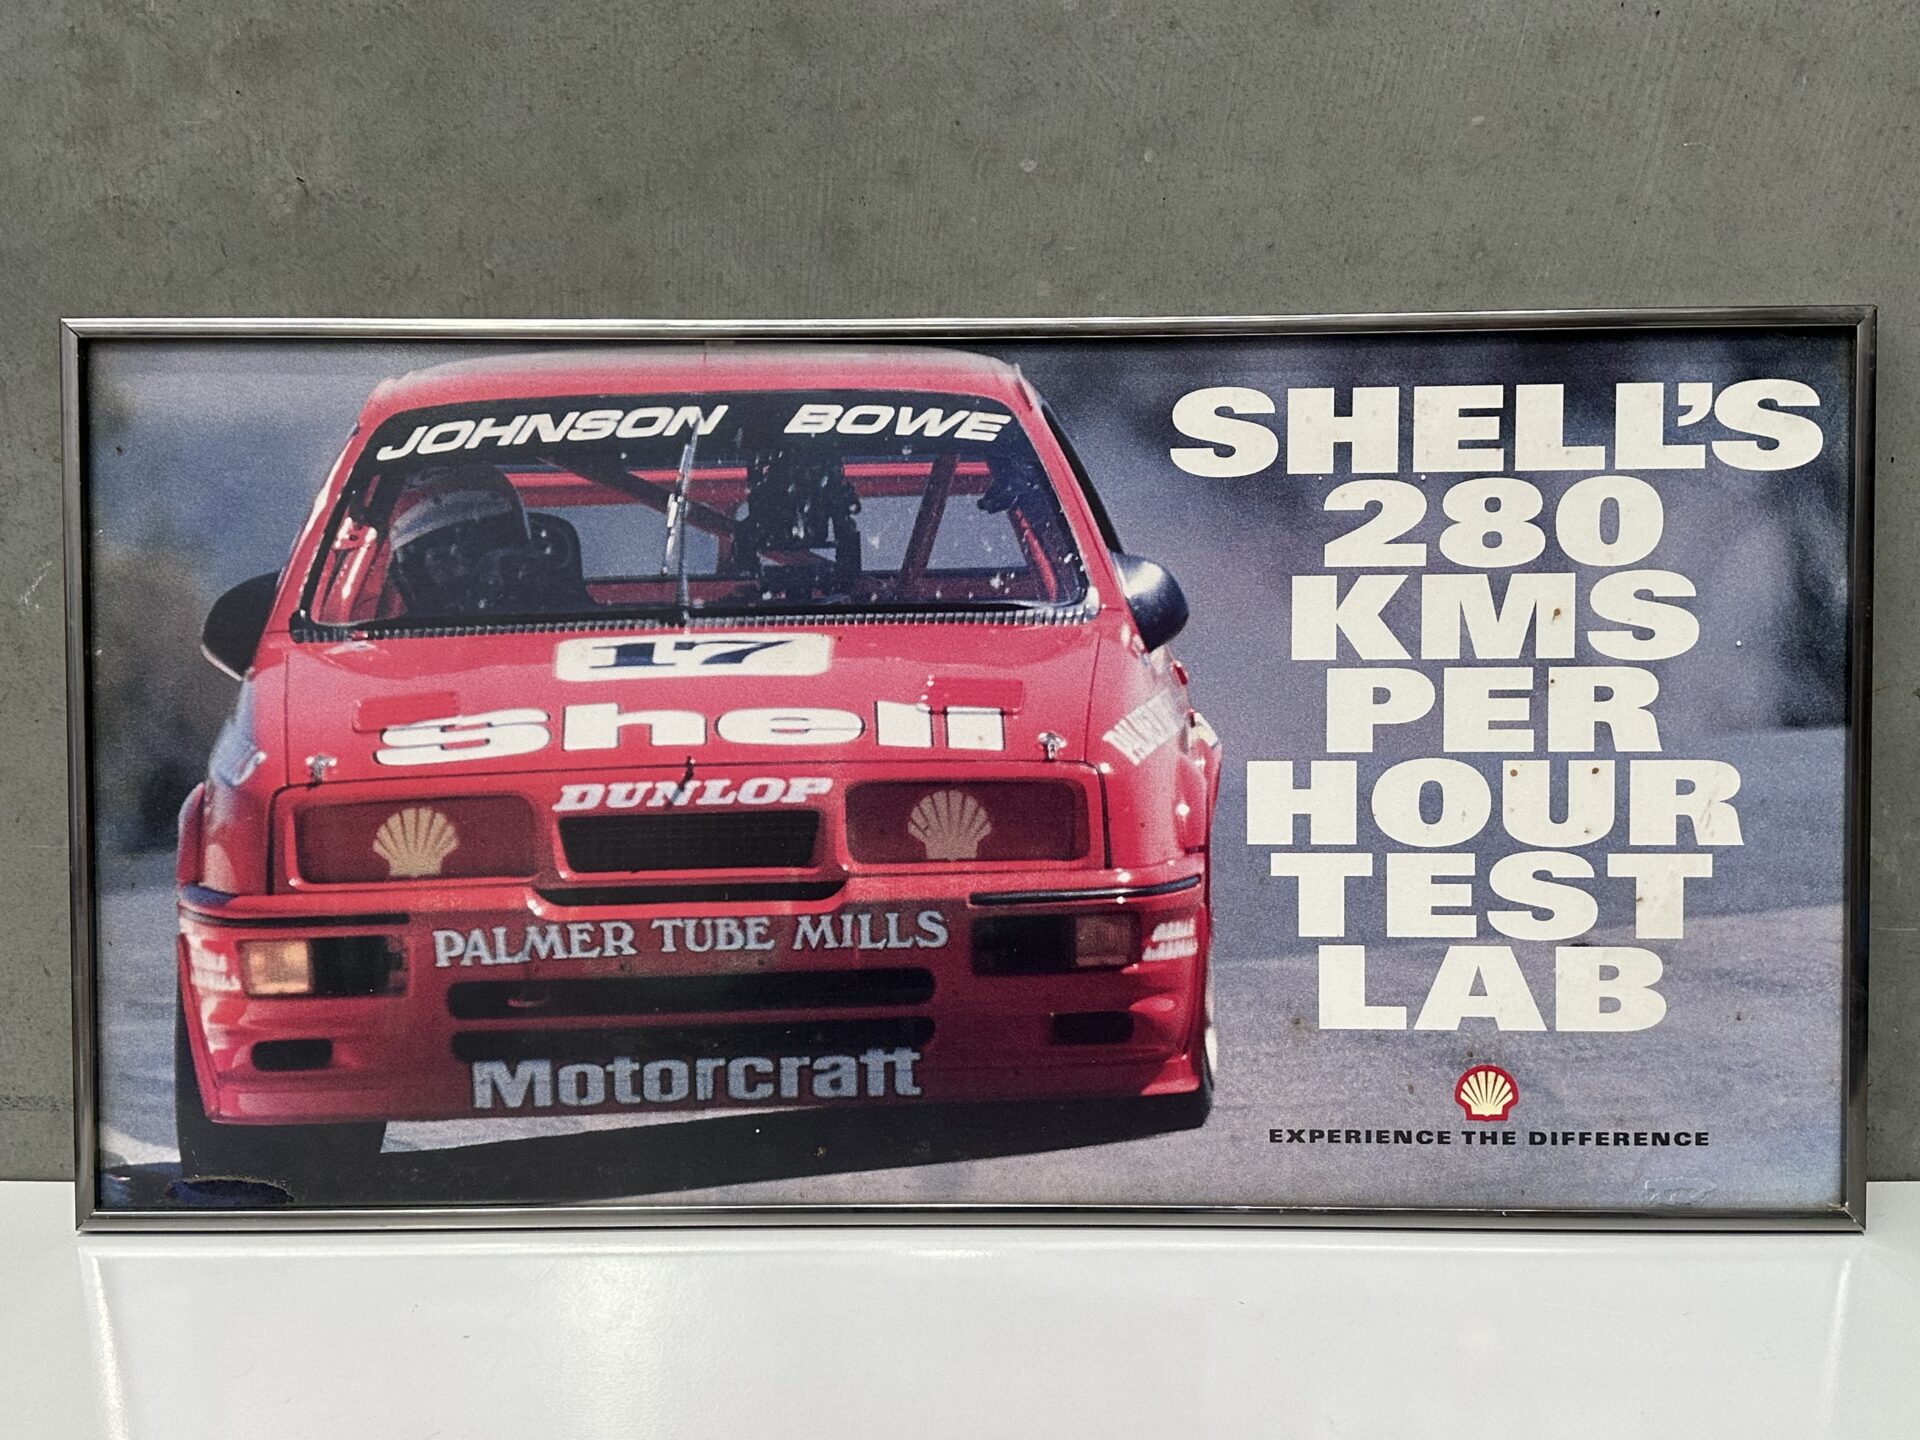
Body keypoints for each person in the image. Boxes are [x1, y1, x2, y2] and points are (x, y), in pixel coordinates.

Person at [386, 462, 588, 617]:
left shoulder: (568, 612)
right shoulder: (396, 640)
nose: (461, 566)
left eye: (472, 550)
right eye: (442, 559)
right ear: (417, 572)